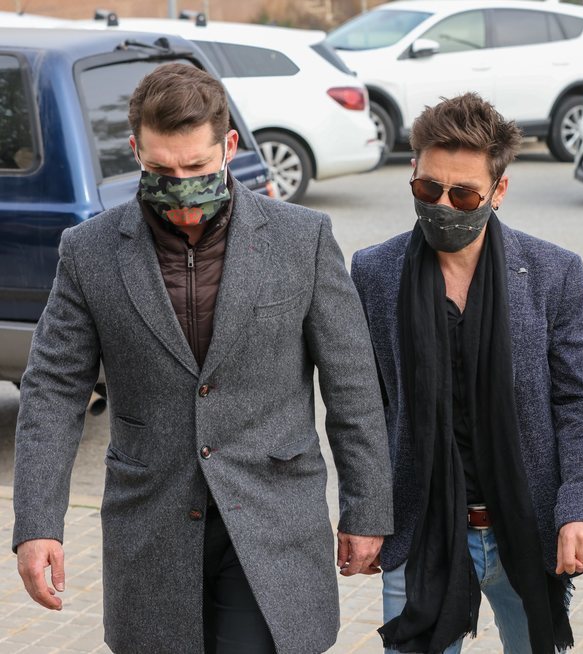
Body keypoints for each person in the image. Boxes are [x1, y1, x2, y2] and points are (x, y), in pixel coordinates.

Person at [12, 63, 393, 654]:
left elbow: (353, 388)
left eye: (196, 168)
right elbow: (53, 394)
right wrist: (37, 525)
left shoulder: (303, 239)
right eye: (162, 171)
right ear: (135, 149)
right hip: (153, 521)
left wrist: (366, 509)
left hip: (273, 515)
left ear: (229, 147)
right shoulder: (88, 252)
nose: (181, 186)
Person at [349, 93, 583, 654]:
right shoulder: (373, 271)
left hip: (528, 525)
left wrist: (582, 505)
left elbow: (579, 405)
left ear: (499, 192)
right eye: (428, 188)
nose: (443, 204)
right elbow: (363, 411)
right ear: (413, 175)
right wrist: (363, 512)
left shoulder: (553, 273)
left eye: (464, 194)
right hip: (423, 531)